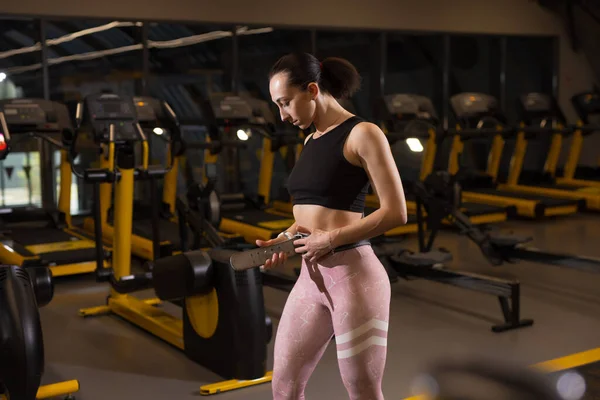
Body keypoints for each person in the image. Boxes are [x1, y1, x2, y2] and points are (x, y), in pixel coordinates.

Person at [257, 52, 408, 400]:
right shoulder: (310, 140)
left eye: (285, 103)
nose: (283, 115)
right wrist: (287, 236)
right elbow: (313, 211)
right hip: (310, 279)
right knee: (284, 386)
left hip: (354, 278)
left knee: (362, 391)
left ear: (312, 90)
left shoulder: (363, 134)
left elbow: (396, 212)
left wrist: (331, 238)